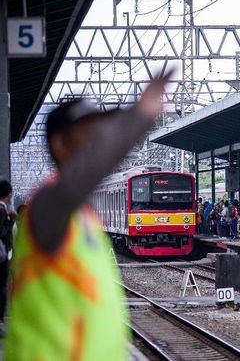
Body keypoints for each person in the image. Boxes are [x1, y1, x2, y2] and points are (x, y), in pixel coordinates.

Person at [5, 73, 170, 359]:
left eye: (102, 134)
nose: (101, 142)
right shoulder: (46, 205)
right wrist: (139, 116)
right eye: (91, 135)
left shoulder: (82, 217)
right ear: (60, 145)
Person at [0, 180, 15, 337]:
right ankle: (0, 321)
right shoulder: (2, 210)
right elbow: (2, 232)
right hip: (1, 254)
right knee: (2, 287)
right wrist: (10, 221)